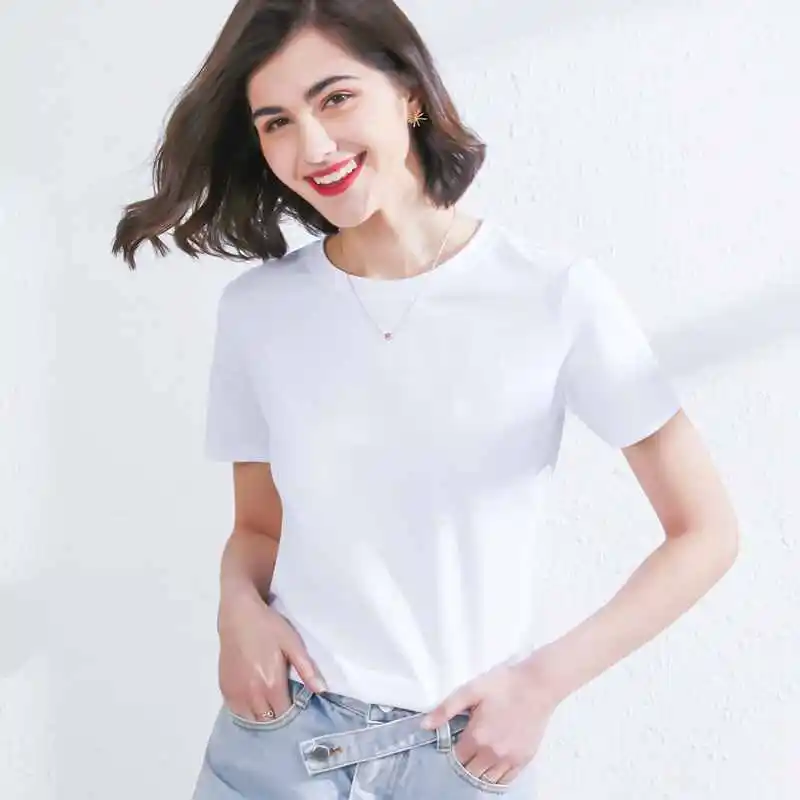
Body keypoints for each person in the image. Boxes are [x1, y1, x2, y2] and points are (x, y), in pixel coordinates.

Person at [111, 1, 740, 797]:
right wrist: (236, 607)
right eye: (276, 122)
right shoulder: (258, 312)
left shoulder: (552, 295)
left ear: (409, 91)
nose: (313, 146)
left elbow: (705, 532)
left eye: (336, 98)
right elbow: (259, 530)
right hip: (280, 744)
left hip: (465, 754)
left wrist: (540, 686)